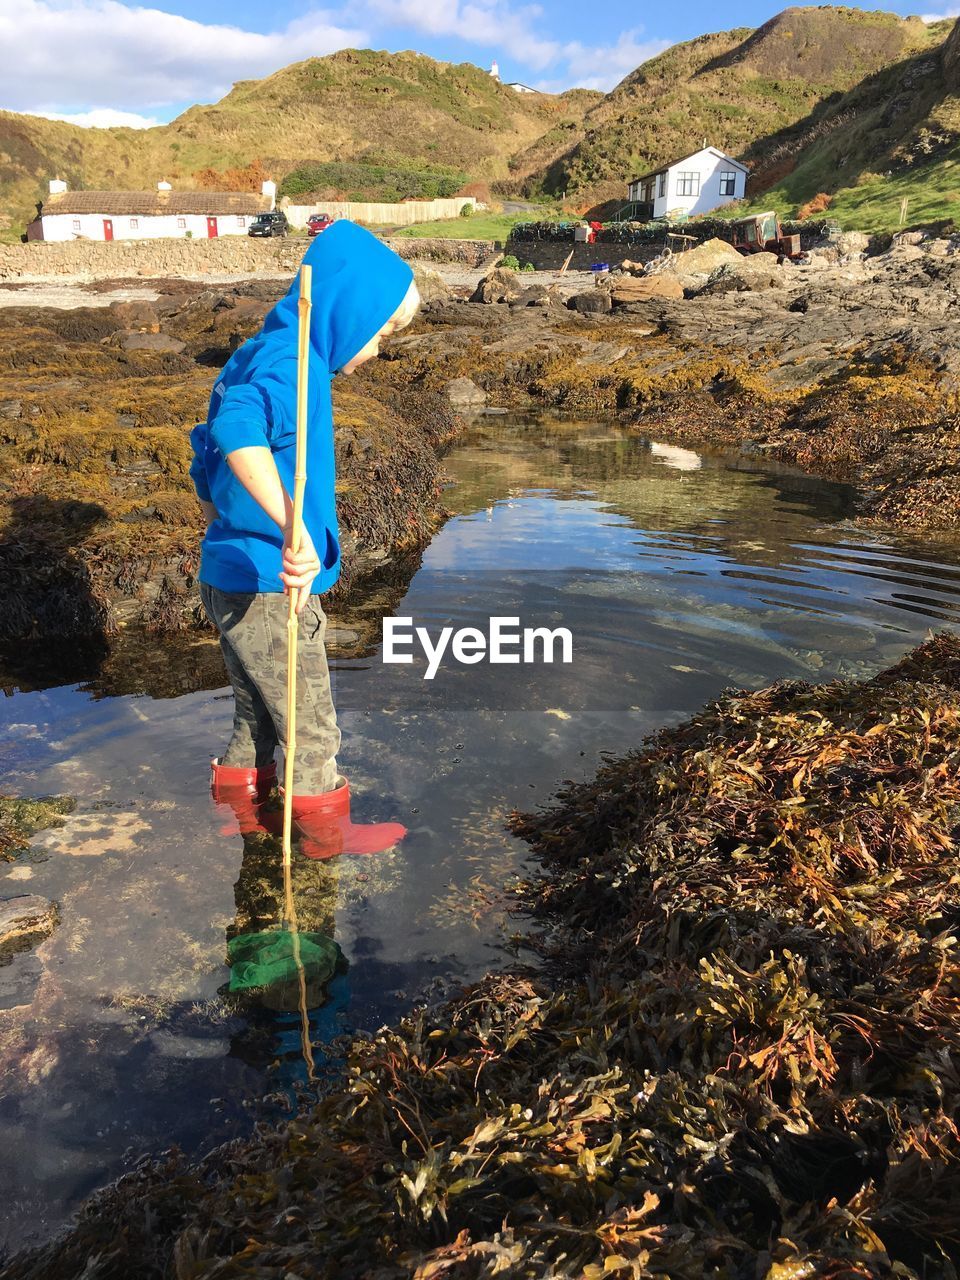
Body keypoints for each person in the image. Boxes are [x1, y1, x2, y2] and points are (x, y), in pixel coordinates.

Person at [189, 220, 420, 859]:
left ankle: (240, 810)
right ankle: (322, 834)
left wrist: (226, 512)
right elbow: (237, 433)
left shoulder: (262, 350)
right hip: (272, 583)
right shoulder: (294, 366)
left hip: (229, 570)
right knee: (310, 726)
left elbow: (205, 457)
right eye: (379, 333)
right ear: (348, 311)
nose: (376, 351)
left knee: (255, 720)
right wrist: (292, 522)